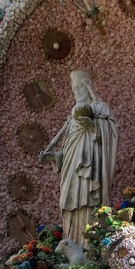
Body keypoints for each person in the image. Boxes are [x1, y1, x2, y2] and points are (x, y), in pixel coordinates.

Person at [39, 69, 119, 245]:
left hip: (92, 162)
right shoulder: (71, 117)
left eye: (79, 87)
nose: (76, 92)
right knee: (68, 200)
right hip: (71, 168)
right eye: (73, 88)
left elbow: (111, 133)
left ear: (87, 87)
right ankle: (73, 242)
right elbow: (67, 147)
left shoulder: (99, 108)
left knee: (89, 198)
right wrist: (55, 157)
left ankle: (91, 245)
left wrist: (93, 126)